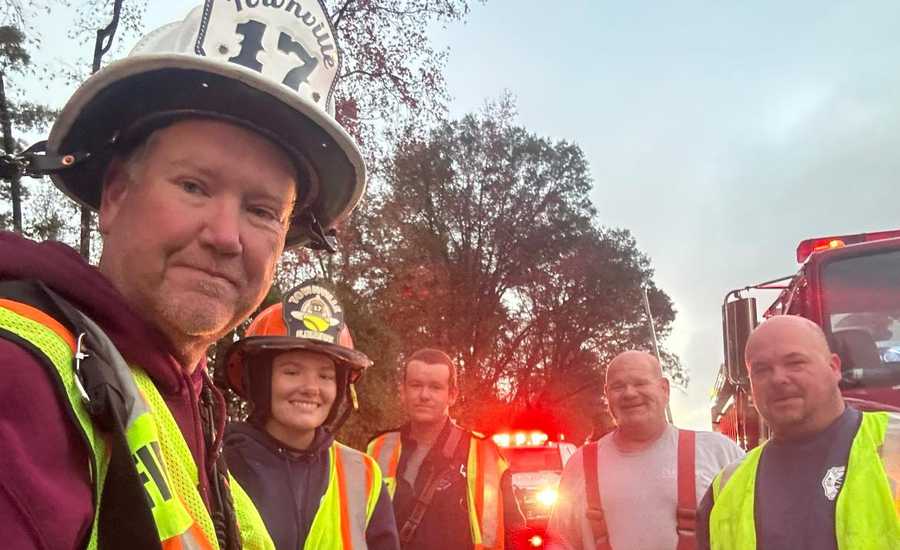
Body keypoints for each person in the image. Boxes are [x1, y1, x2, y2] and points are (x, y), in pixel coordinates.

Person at [0, 1, 366, 548]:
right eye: (194, 186)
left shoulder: (182, 400)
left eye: (263, 211)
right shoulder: (19, 376)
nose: (226, 235)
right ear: (116, 192)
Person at [221, 281, 401, 550]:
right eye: (291, 372)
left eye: (325, 375)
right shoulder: (215, 461)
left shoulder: (362, 475)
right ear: (258, 379)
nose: (310, 388)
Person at [697, 315, 900, 550]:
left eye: (795, 363)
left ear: (834, 367)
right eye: (762, 370)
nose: (778, 379)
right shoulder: (726, 487)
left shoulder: (894, 444)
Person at [547, 350, 744, 550]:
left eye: (640, 383)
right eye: (618, 386)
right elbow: (560, 543)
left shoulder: (719, 453)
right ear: (607, 395)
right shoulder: (580, 464)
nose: (629, 393)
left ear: (664, 389)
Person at [367, 348, 526, 549]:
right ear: (403, 391)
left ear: (452, 395)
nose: (424, 395)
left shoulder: (485, 454)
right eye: (416, 385)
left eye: (435, 387)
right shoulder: (377, 449)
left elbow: (515, 532)